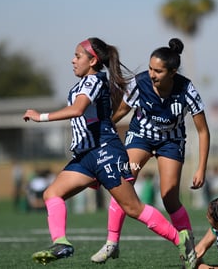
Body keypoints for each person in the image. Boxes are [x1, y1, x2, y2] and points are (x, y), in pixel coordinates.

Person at [22, 37, 197, 268]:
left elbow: (78, 109)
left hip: (105, 153)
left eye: (77, 56)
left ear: (93, 60)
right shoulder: (82, 83)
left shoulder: (93, 81)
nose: (72, 60)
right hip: (86, 156)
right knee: (51, 194)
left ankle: (180, 239)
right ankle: (61, 243)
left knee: (133, 208)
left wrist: (40, 116)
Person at [91, 38, 210, 263]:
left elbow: (203, 131)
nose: (152, 74)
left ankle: (189, 247)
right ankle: (111, 243)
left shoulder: (187, 89)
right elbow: (121, 112)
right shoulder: (140, 83)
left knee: (169, 198)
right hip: (141, 138)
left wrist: (201, 168)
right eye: (150, 69)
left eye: (158, 71)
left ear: (172, 72)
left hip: (171, 143)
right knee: (122, 183)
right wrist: (102, 130)